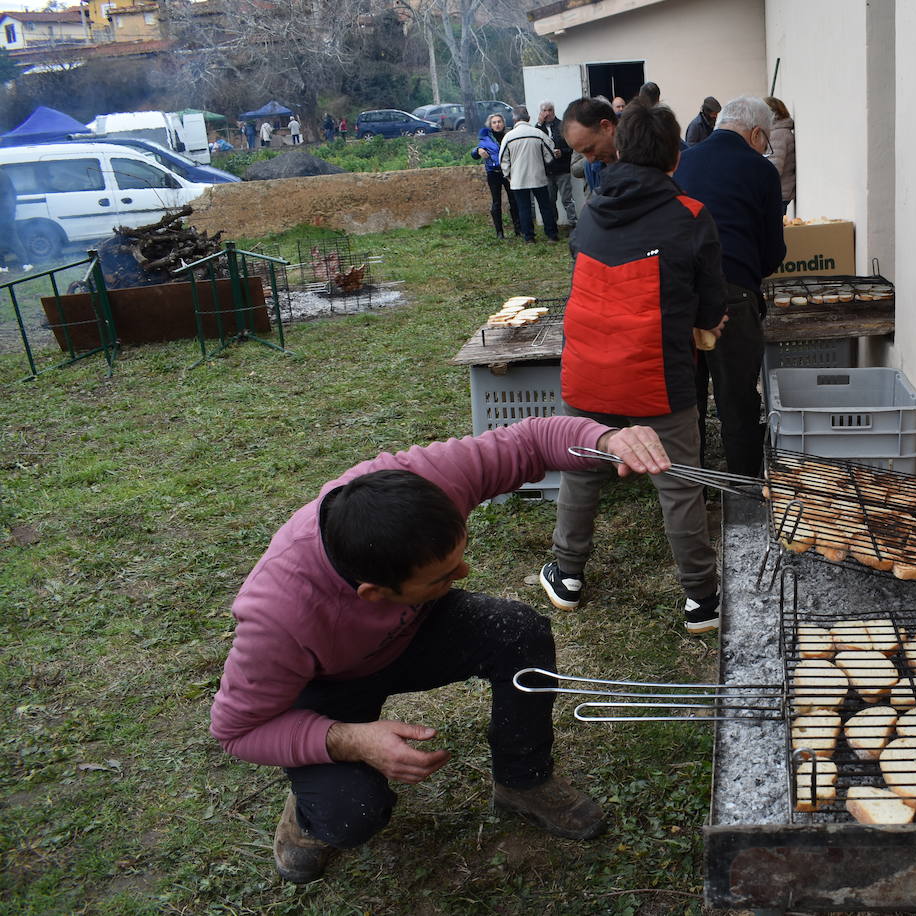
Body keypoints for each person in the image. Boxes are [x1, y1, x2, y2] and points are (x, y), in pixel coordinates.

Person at [210, 417, 672, 884]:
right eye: (443, 576)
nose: (465, 574)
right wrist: (347, 739)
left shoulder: (422, 483)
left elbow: (532, 440)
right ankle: (306, 819)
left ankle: (522, 780)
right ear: (374, 593)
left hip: (412, 631)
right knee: (351, 816)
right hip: (327, 685)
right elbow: (236, 731)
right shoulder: (280, 617)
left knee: (518, 631)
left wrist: (607, 440)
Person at [539, 102, 727, 634]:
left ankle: (568, 574)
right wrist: (705, 322)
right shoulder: (690, 215)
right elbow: (712, 306)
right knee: (678, 483)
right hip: (657, 378)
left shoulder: (594, 207)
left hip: (588, 373)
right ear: (675, 155)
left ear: (619, 147)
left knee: (581, 472)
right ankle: (701, 599)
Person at [673, 96, 786, 477]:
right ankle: (743, 490)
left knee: (687, 402)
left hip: (678, 296)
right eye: (766, 141)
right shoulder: (762, 171)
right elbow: (772, 252)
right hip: (733, 293)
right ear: (756, 134)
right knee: (736, 399)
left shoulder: (681, 162)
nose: (765, 148)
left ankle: (690, 489)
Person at [499, 107, 559, 242]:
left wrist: (508, 175)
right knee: (545, 206)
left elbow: (503, 159)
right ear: (529, 118)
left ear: (514, 119)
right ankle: (551, 235)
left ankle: (529, 237)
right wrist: (544, 164)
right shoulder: (538, 134)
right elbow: (550, 154)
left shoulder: (508, 137)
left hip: (518, 179)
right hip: (538, 176)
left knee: (524, 208)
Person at [470, 113, 519, 239]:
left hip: (509, 172)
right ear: (490, 125)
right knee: (496, 202)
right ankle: (499, 232)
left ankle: (518, 229)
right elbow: (475, 153)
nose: (497, 124)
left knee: (514, 200)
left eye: (499, 121)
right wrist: (478, 150)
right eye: (494, 122)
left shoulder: (510, 135)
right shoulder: (486, 138)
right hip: (493, 172)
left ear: (503, 123)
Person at [562, 97, 618, 196]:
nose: (590, 160)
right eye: (582, 153)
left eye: (590, 149)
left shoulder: (647, 154)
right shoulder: (591, 167)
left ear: (606, 127)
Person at [535, 100, 577, 232]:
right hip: (546, 171)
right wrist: (539, 124)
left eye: (550, 110)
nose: (547, 113)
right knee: (549, 200)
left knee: (567, 200)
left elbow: (572, 146)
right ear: (540, 113)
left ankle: (574, 225)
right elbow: (534, 145)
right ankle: (553, 226)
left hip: (562, 169)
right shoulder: (537, 129)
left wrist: (562, 152)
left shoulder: (562, 125)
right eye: (544, 110)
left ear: (554, 111)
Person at [764, 97, 796, 213]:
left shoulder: (778, 135)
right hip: (781, 193)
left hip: (778, 194)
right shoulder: (781, 132)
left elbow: (774, 168)